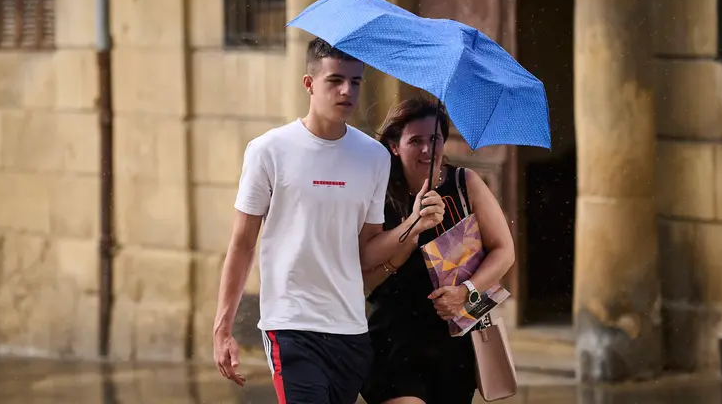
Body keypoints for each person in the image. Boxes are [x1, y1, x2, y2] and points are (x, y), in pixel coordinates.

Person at [212, 38, 446, 404]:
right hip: (291, 326)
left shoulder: (373, 157)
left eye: (355, 81)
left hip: (350, 330)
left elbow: (367, 252)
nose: (346, 90)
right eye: (335, 80)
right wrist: (222, 328)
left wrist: (413, 224)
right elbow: (242, 243)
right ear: (309, 84)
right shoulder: (268, 151)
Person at [360, 98, 516, 404]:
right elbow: (366, 258)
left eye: (434, 139)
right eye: (415, 141)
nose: (427, 150)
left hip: (453, 339)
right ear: (394, 146)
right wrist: (414, 224)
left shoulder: (464, 184)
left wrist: (467, 291)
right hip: (393, 338)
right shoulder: (378, 190)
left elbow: (504, 251)